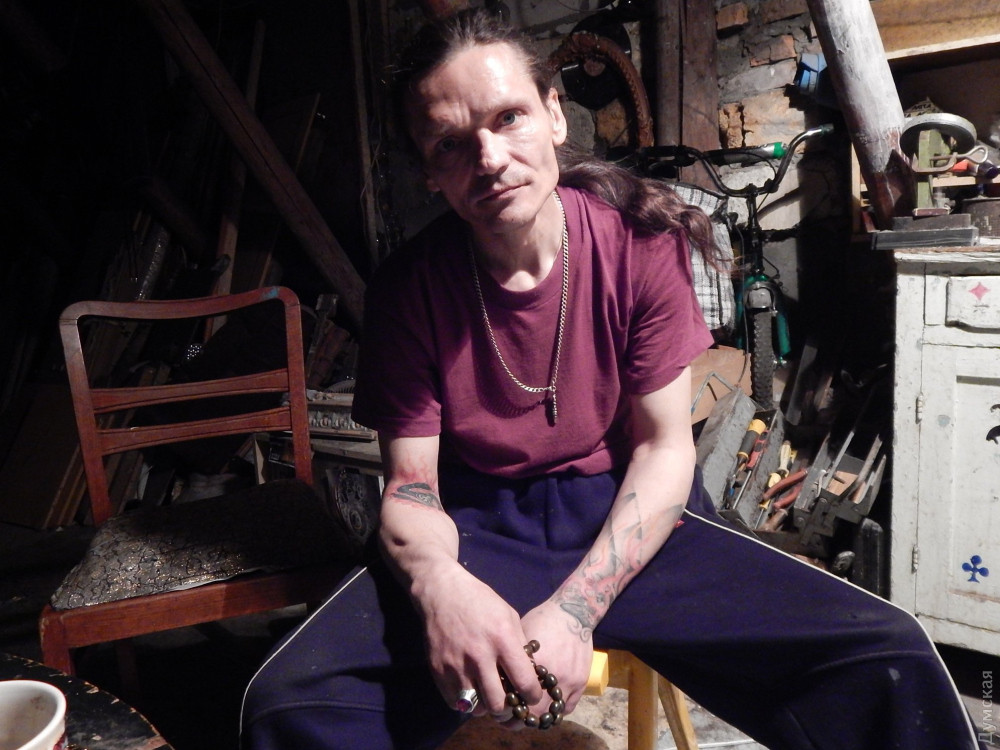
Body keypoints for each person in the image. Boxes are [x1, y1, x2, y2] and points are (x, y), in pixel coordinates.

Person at [240, 9, 984, 750]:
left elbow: (664, 450)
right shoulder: (410, 289)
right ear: (431, 172)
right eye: (451, 144)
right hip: (476, 524)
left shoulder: (638, 245)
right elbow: (411, 488)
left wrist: (575, 612)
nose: (489, 158)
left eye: (508, 118)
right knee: (286, 705)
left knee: (885, 660)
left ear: (554, 115)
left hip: (629, 509)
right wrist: (440, 588)